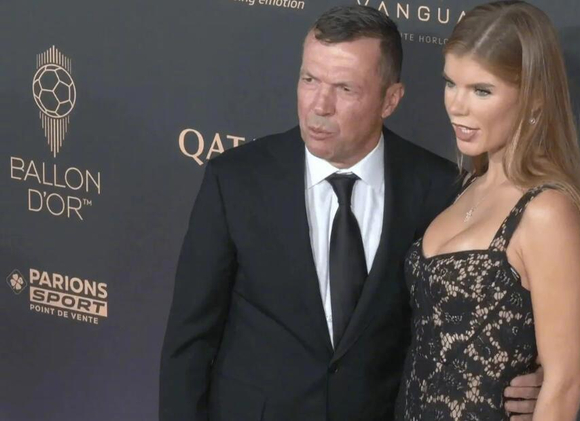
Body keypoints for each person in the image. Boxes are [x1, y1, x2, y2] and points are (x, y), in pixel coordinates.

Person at [159, 5, 542, 421]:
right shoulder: (236, 179)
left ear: (390, 100)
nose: (319, 105)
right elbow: (190, 340)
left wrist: (525, 377)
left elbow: (460, 324)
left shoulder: (441, 189)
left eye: (344, 89)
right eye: (309, 80)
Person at [394, 1, 580, 420]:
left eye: (481, 91)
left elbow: (564, 383)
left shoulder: (546, 211)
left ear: (535, 99)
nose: (457, 105)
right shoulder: (465, 187)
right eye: (451, 84)